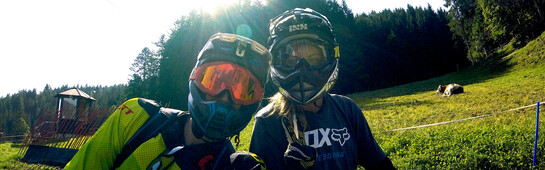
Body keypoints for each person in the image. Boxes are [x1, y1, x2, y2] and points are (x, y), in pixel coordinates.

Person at [65, 33, 270, 169]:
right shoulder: (136, 118)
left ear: (255, 101)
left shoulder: (234, 166)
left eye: (242, 89)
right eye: (214, 80)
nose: (225, 96)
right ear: (195, 78)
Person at [249, 8, 395, 169]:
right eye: (291, 61)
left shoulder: (347, 109)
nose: (302, 70)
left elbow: (379, 163)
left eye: (314, 59)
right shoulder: (268, 121)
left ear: (331, 56)